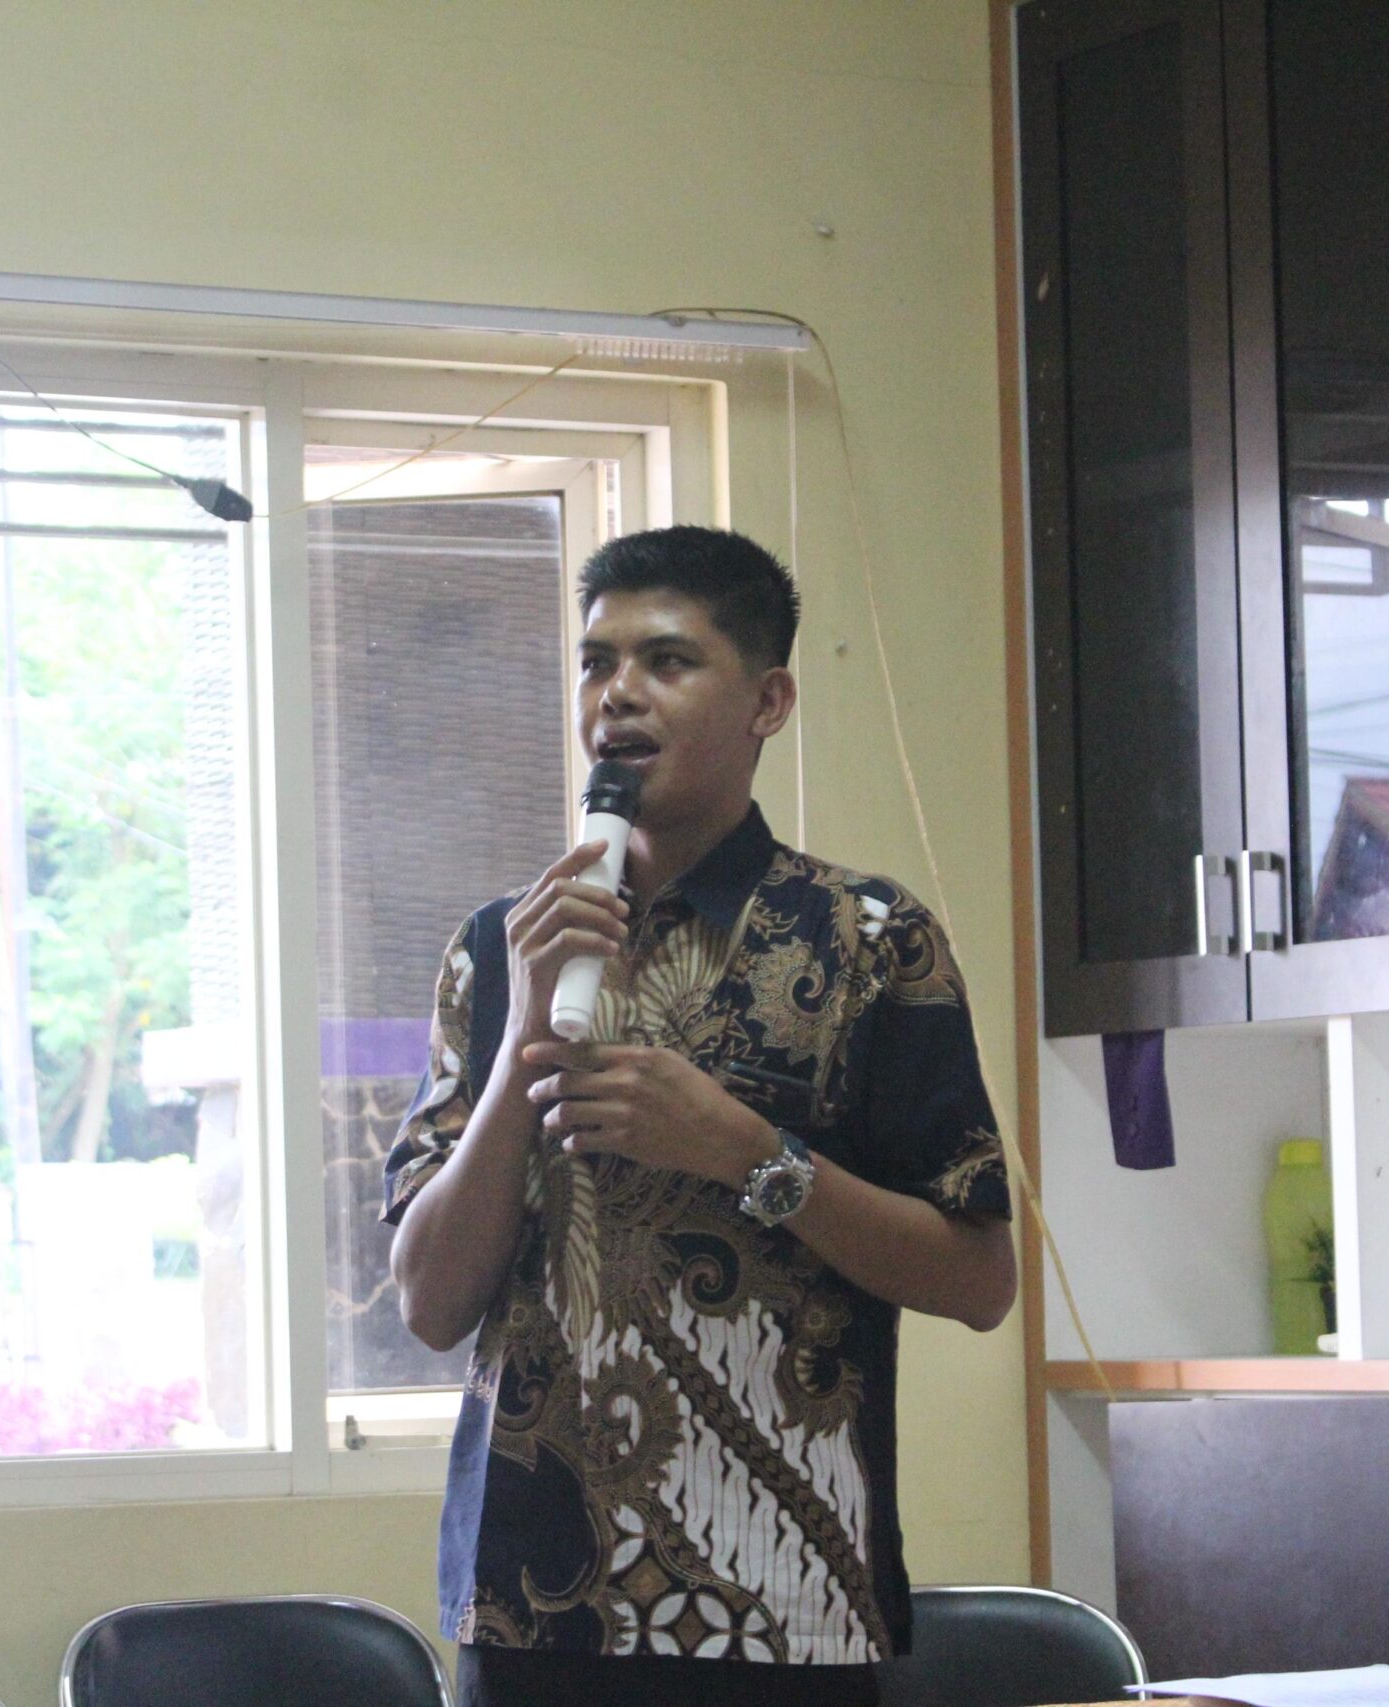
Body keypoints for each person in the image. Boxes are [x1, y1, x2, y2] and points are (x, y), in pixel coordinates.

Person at [383, 525, 1017, 1707]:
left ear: (768, 701)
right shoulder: (497, 947)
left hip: (790, 1606)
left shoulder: (871, 941)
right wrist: (523, 1034)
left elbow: (979, 1281)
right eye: (595, 662)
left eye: (667, 660)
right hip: (533, 1607)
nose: (617, 694)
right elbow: (428, 1302)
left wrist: (748, 1153)